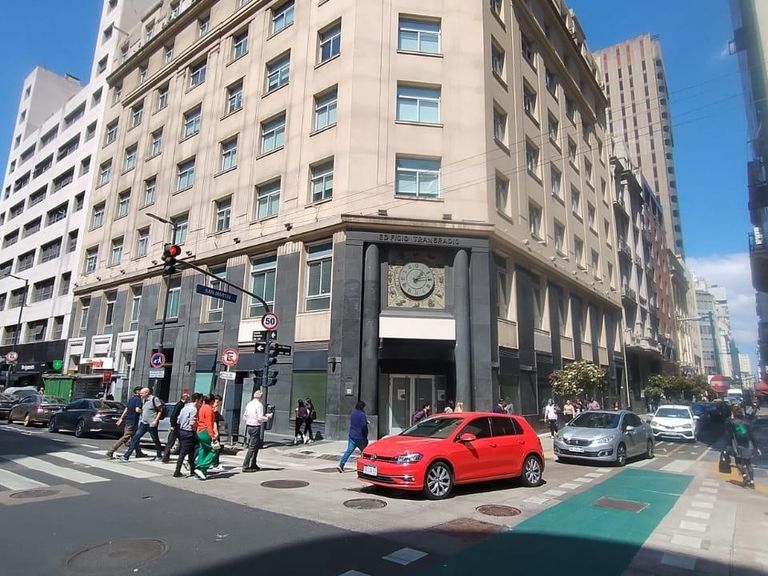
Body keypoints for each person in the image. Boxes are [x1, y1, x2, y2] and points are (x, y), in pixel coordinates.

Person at [122, 387, 164, 462]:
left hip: (151, 423)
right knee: (135, 438)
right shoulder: (143, 400)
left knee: (155, 439)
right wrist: (140, 411)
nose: (140, 394)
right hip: (143, 423)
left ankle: (159, 455)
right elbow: (145, 410)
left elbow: (160, 410)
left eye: (142, 393)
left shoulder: (154, 399)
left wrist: (155, 421)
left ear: (147, 393)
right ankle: (126, 456)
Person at [725, 404, 761, 487]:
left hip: (737, 444)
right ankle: (752, 482)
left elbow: (728, 432)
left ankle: (744, 475)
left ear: (733, 413)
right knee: (748, 464)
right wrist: (756, 447)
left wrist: (728, 445)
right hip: (748, 444)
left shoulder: (731, 422)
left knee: (738, 462)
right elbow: (752, 436)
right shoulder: (746, 422)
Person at [108, 386, 145, 459]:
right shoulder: (138, 399)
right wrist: (144, 411)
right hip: (133, 421)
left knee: (135, 437)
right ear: (137, 391)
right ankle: (111, 451)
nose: (142, 393)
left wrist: (121, 418)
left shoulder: (131, 399)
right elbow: (137, 410)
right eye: (141, 391)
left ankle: (139, 452)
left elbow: (126, 409)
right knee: (125, 437)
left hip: (128, 420)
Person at [241, 390, 272, 472]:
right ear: (261, 397)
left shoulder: (249, 404)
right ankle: (246, 465)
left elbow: (244, 416)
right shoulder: (259, 405)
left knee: (255, 445)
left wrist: (250, 419)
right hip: (255, 426)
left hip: (249, 426)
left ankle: (253, 464)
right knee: (252, 446)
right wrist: (267, 417)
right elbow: (260, 418)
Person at [174, 393, 202, 478]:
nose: (200, 403)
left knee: (191, 451)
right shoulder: (193, 410)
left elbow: (178, 420)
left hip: (182, 430)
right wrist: (197, 427)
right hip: (189, 432)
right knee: (184, 452)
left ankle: (192, 470)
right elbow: (192, 423)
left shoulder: (185, 407)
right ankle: (177, 471)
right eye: (200, 401)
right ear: (197, 400)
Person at [337, 401, 369, 473]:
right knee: (365, 452)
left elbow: (356, 422)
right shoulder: (362, 415)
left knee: (349, 450)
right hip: (360, 437)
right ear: (362, 407)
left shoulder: (353, 413)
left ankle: (341, 464)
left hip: (352, 436)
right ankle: (365, 466)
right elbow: (363, 426)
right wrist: (365, 434)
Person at [194, 395, 217, 480]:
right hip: (205, 431)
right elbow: (209, 423)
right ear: (212, 401)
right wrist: (212, 435)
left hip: (200, 431)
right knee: (214, 450)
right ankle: (201, 467)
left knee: (203, 450)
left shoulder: (202, 407)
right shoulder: (209, 409)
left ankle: (200, 473)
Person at [162, 393, 190, 463]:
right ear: (185, 398)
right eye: (188, 398)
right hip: (176, 427)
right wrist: (173, 425)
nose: (189, 400)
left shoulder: (182, 405)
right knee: (171, 443)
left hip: (179, 427)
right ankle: (165, 458)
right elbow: (173, 415)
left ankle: (169, 457)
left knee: (181, 442)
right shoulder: (179, 405)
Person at [208, 395, 225, 474]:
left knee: (216, 448)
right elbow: (214, 422)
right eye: (216, 402)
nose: (217, 404)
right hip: (213, 432)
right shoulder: (212, 411)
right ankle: (214, 463)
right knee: (215, 448)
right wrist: (215, 432)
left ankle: (215, 463)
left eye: (219, 403)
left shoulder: (215, 411)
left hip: (214, 431)